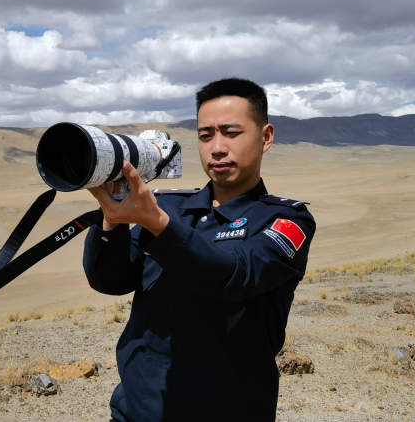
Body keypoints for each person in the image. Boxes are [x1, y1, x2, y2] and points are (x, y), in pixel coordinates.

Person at [82, 78, 316, 421]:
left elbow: (234, 275)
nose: (217, 148)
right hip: (137, 411)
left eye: (231, 133)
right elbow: (110, 280)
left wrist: (159, 226)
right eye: (206, 135)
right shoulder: (168, 207)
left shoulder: (284, 220)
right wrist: (111, 220)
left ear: (265, 137)